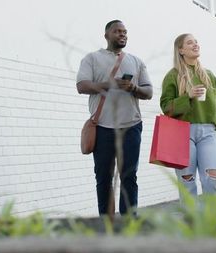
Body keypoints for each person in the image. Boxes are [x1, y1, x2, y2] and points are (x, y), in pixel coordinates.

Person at [76, 20, 153, 217]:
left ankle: (129, 223)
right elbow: (82, 86)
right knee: (103, 177)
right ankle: (106, 223)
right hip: (102, 127)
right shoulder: (92, 59)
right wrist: (110, 84)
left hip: (131, 126)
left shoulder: (136, 61)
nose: (122, 35)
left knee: (129, 177)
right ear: (106, 35)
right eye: (117, 31)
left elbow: (149, 91)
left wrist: (134, 88)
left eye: (125, 32)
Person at [160, 33, 216, 196]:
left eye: (196, 42)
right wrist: (187, 96)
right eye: (190, 43)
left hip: (208, 132)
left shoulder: (209, 75)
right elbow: (166, 107)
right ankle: (192, 220)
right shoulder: (172, 76)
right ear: (180, 50)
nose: (195, 45)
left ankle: (212, 219)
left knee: (214, 179)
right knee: (186, 181)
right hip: (182, 132)